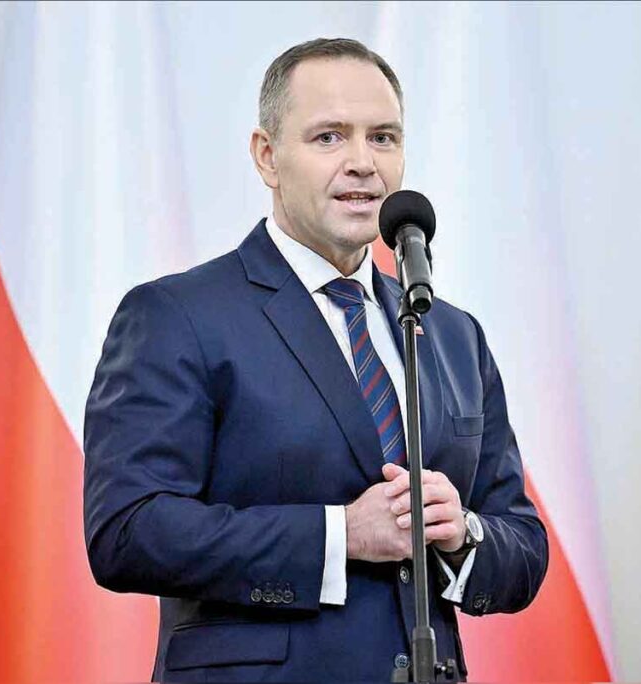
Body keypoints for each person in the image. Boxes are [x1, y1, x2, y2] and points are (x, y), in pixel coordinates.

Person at [83, 38, 548, 683]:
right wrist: (339, 535)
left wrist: (461, 532)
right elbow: (127, 532)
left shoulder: (452, 333)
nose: (362, 163)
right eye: (329, 137)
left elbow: (523, 544)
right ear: (267, 156)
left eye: (383, 137)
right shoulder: (176, 316)